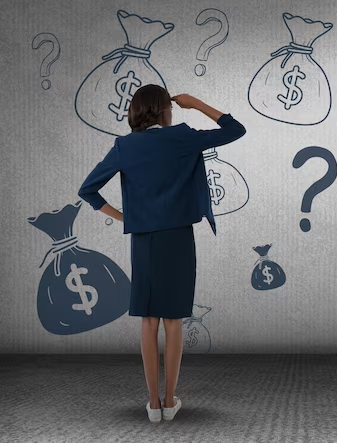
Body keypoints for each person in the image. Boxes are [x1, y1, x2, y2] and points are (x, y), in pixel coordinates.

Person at [77, 85, 246, 423]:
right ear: (165, 110)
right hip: (179, 237)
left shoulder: (125, 146)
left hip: (144, 239)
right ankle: (170, 401)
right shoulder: (182, 137)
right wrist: (196, 103)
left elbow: (88, 190)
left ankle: (152, 404)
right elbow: (235, 130)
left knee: (149, 320)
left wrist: (124, 217)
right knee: (173, 320)